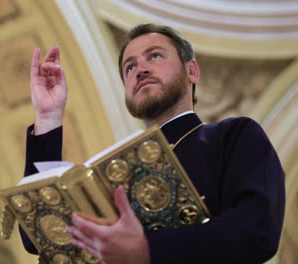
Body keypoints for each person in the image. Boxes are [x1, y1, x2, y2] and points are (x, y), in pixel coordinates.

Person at [21, 23, 285, 264]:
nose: (141, 70)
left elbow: (257, 229)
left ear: (191, 71)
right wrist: (48, 117)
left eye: (155, 56)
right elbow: (37, 234)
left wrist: (148, 248)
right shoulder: (109, 170)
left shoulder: (234, 135)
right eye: (130, 67)